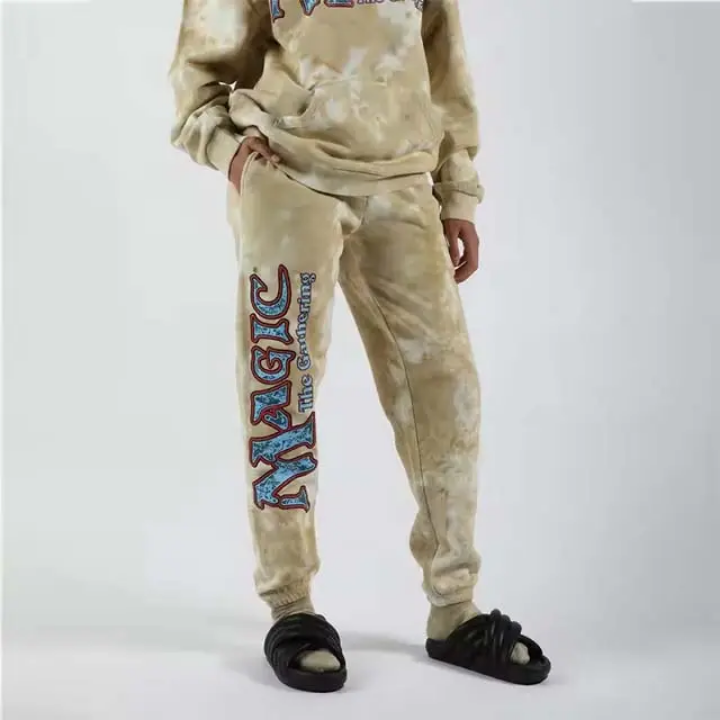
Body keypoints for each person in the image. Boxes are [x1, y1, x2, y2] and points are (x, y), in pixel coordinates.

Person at [169, 0, 550, 692]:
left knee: (447, 388)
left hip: (402, 180)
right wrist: (230, 151)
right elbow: (199, 69)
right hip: (290, 176)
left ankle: (455, 608)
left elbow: (443, 61)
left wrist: (456, 191)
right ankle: (292, 605)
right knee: (281, 387)